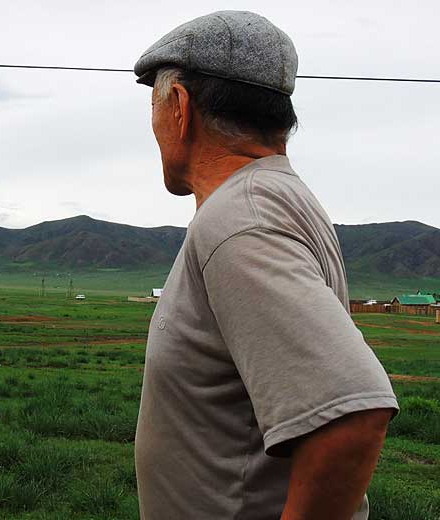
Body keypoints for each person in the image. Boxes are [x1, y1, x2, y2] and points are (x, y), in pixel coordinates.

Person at [132, 11, 399, 520]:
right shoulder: (277, 196)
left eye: (154, 105)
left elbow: (352, 414)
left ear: (180, 107)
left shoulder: (241, 218)